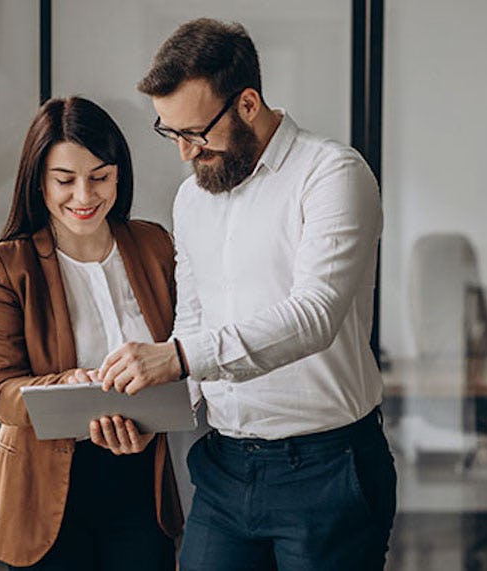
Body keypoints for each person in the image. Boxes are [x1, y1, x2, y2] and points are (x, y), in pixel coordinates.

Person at [88, 18, 396, 570]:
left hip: (327, 469)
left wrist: (178, 358)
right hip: (225, 468)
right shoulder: (193, 200)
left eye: (195, 133)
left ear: (248, 103)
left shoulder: (333, 175)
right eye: (171, 134)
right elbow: (195, 323)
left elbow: (314, 315)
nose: (184, 153)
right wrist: (148, 410)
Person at [0, 96, 182, 570]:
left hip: (139, 486)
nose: (84, 197)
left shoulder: (153, 245)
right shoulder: (6, 265)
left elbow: (181, 352)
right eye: (65, 180)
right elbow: (2, 394)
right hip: (40, 496)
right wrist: (67, 386)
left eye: (100, 177)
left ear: (118, 175)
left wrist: (151, 419)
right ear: (38, 182)